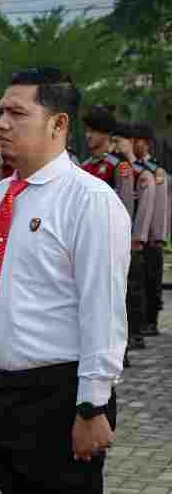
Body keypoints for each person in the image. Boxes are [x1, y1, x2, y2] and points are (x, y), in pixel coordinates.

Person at [0, 67, 128, 493]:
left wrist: (93, 406)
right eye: (1, 112)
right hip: (2, 389)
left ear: (58, 124)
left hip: (60, 394)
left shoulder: (90, 199)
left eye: (17, 113)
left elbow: (103, 309)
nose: (2, 124)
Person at [113, 124, 155, 354]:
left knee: (135, 287)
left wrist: (138, 236)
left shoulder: (140, 171)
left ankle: (136, 332)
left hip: (133, 237)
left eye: (119, 141)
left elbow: (143, 206)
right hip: (121, 237)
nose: (115, 145)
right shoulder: (120, 167)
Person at [133, 123, 168, 337]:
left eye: (136, 140)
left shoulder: (156, 171)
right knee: (142, 279)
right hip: (141, 234)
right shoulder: (133, 168)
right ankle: (144, 319)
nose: (133, 144)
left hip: (153, 236)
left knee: (152, 279)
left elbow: (161, 206)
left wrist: (158, 235)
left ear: (145, 143)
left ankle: (152, 321)